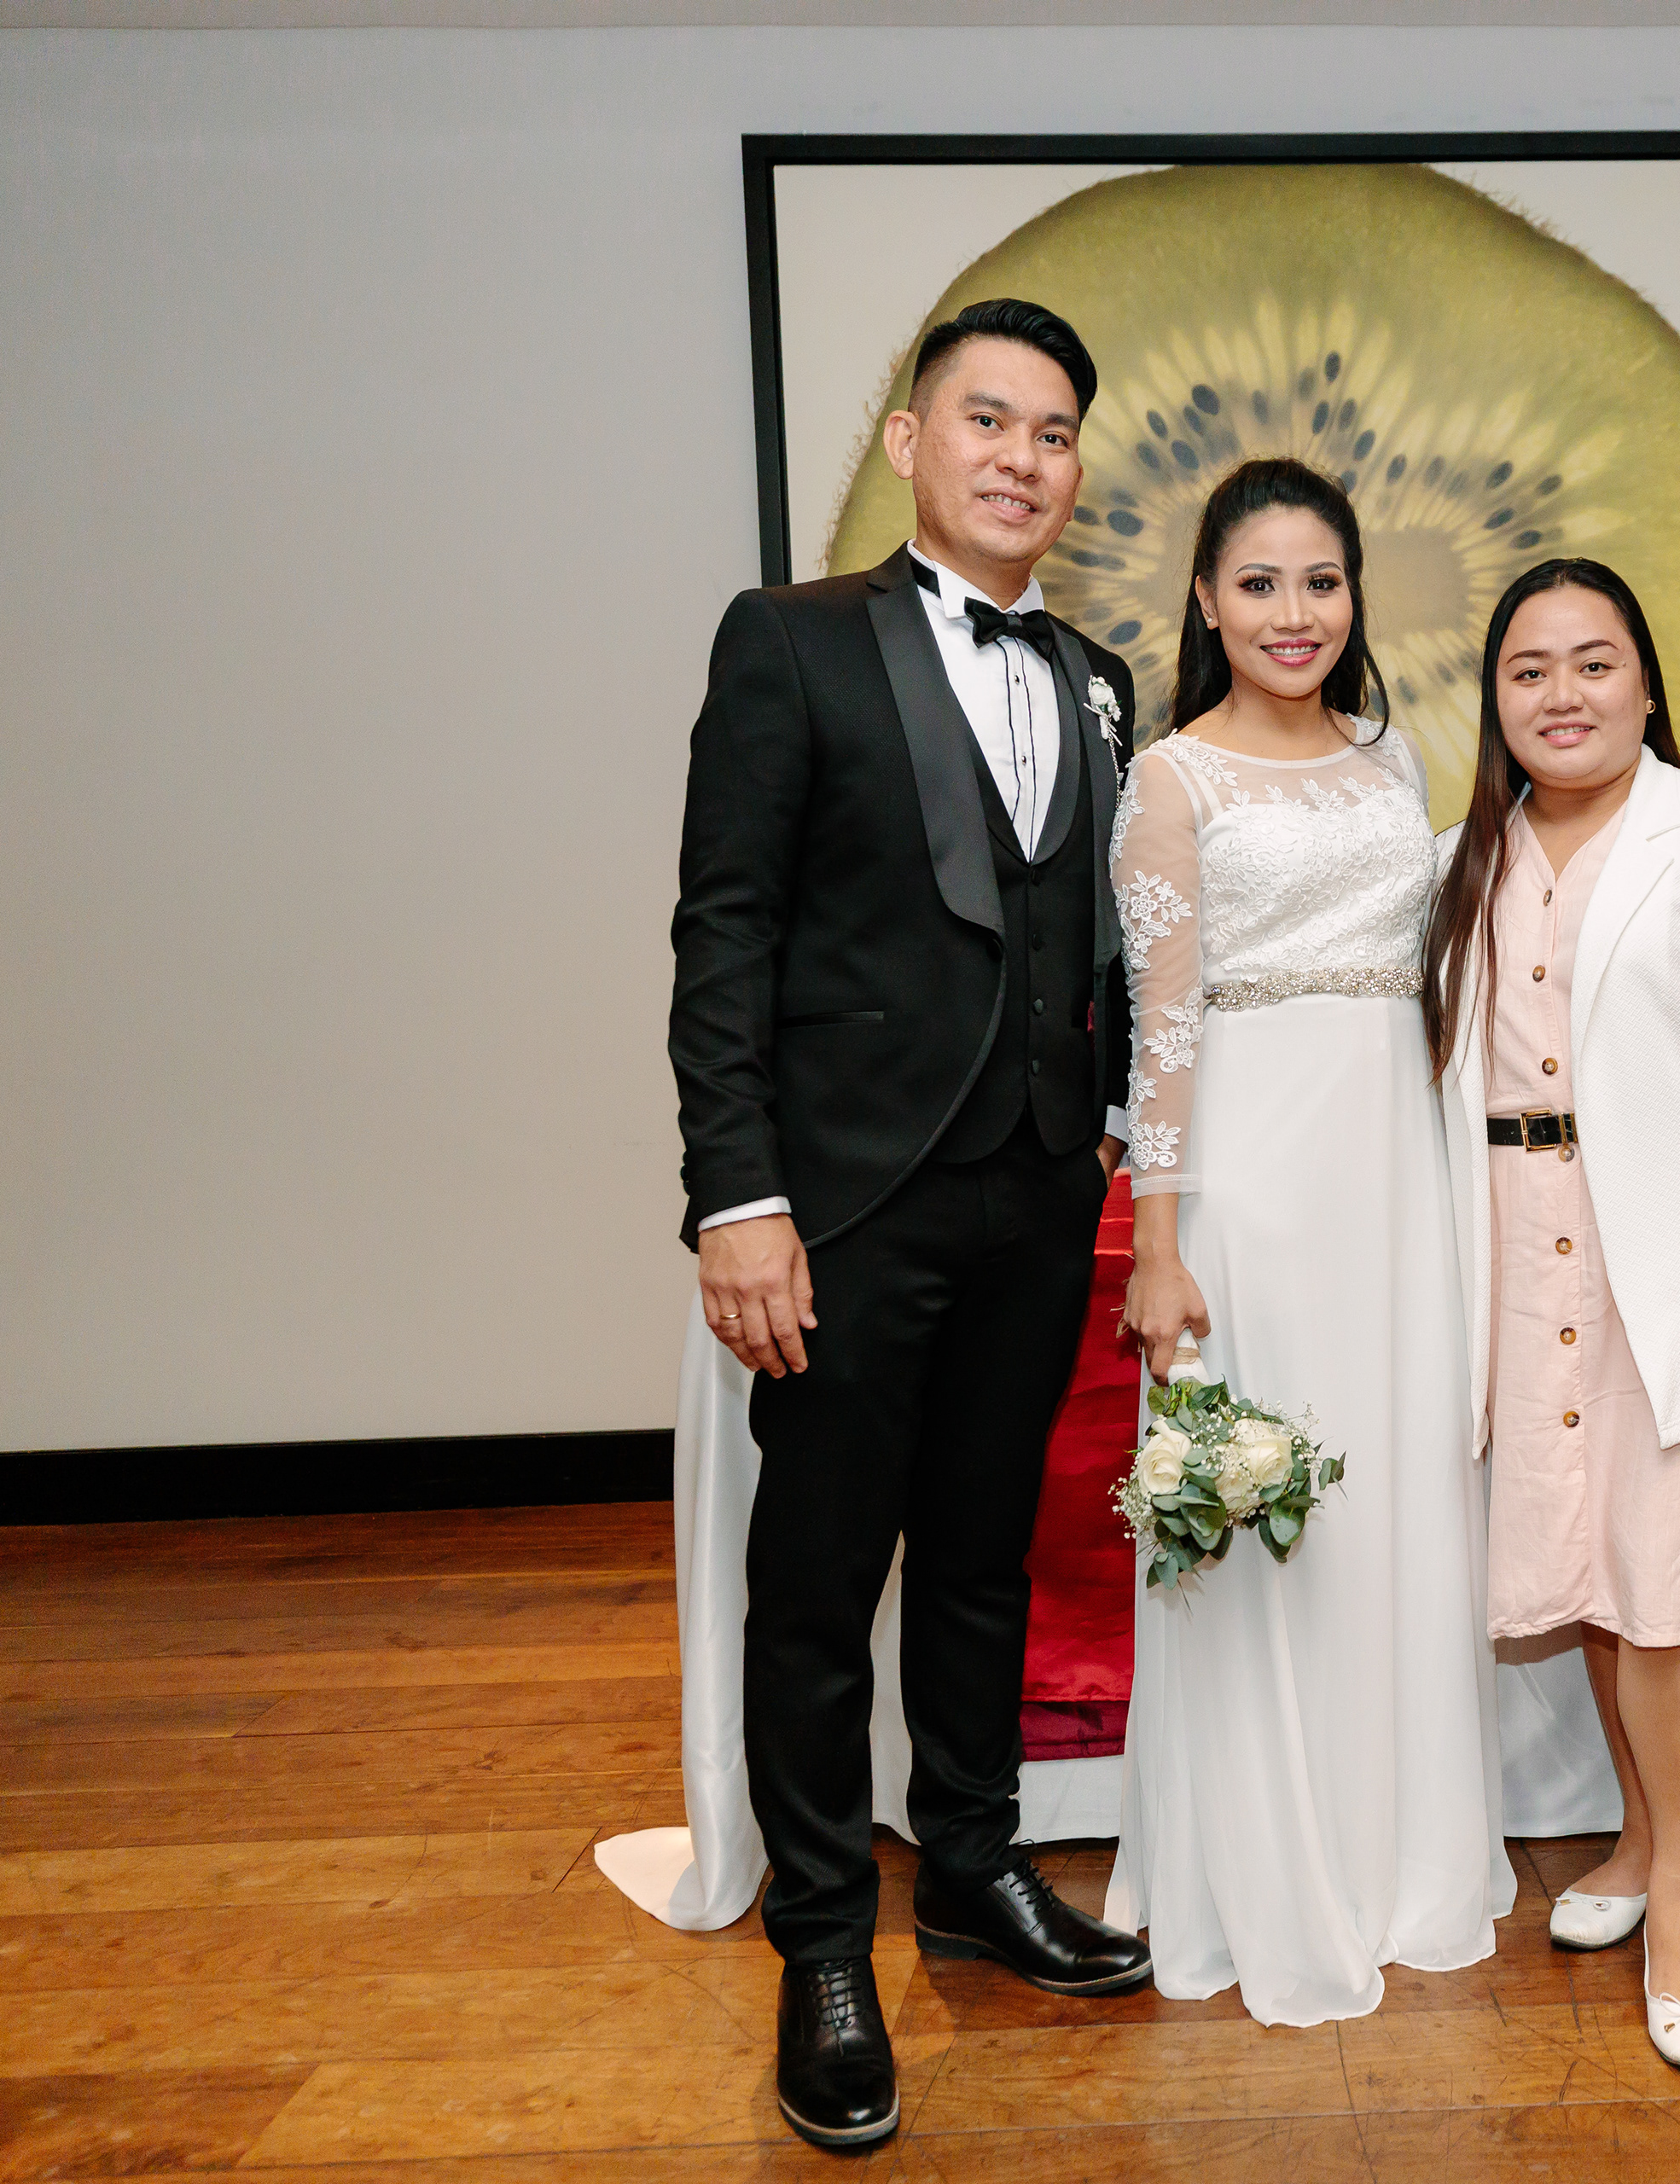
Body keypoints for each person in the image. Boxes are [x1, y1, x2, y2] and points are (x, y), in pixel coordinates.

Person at [668, 297, 1154, 2155]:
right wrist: (740, 1195)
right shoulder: (790, 640)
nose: (1023, 458)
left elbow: (1096, 943)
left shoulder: (1099, 677)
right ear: (907, 440)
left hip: (1037, 1192)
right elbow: (726, 931)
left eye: (1054, 432)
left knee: (978, 1556)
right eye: (988, 420)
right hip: (848, 1203)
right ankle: (822, 1946)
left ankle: (970, 1863)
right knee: (815, 1583)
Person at [1103, 456, 1515, 2025]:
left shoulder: (1389, 758)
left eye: (1322, 582)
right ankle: (1267, 1865)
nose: (1296, 613)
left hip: (1396, 1176)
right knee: (1265, 1494)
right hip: (1254, 1179)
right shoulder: (1171, 778)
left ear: (1356, 598)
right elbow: (1161, 1030)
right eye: (1260, 583)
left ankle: (1398, 1845)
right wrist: (1159, 1244)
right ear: (1208, 600)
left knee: (1398, 1491)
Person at [1422, 558, 1680, 2074]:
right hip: (1517, 1256)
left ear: (1648, 685)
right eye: (1528, 670)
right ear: (1495, 700)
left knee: (1677, 1582)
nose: (1563, 695)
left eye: (1594, 664)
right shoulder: (1462, 858)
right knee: (1598, 1568)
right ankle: (1635, 1838)